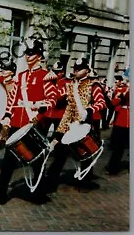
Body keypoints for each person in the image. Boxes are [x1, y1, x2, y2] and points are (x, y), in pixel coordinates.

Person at [0, 39, 57, 205]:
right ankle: (0, 193)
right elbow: (12, 99)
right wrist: (8, 116)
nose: (27, 56)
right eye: (26, 53)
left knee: (37, 161)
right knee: (8, 161)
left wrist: (38, 115)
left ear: (39, 55)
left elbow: (52, 100)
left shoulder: (45, 76)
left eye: (31, 53)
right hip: (17, 123)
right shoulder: (21, 77)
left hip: (32, 125)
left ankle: (39, 193)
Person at [44, 57, 106, 193]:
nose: (77, 71)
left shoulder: (93, 85)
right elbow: (68, 109)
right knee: (60, 153)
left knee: (85, 155)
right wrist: (60, 132)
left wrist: (89, 110)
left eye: (80, 69)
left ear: (87, 70)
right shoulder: (70, 85)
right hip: (70, 125)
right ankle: (51, 181)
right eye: (75, 69)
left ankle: (85, 181)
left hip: (85, 125)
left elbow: (102, 103)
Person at [105, 75, 129, 175]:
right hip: (123, 120)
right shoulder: (124, 89)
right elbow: (114, 103)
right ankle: (113, 167)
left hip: (125, 120)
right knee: (119, 147)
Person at [42, 61, 70, 139]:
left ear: (62, 72)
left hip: (60, 112)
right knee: (42, 132)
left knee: (58, 135)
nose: (56, 74)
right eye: (55, 72)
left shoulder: (66, 82)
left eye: (58, 72)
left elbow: (61, 95)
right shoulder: (50, 80)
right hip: (49, 112)